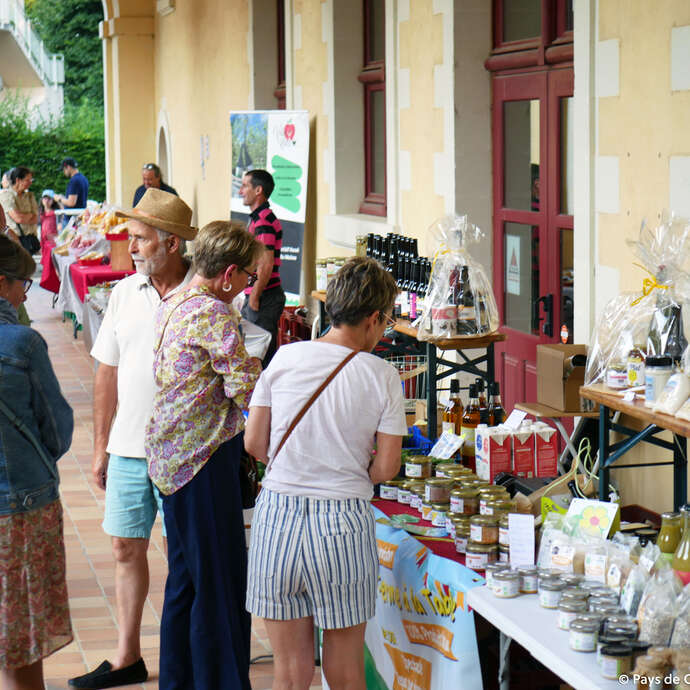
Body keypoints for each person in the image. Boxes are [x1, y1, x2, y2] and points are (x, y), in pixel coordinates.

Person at [245, 256, 407, 690]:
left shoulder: (284, 358)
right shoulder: (382, 375)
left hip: (276, 516)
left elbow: (254, 444)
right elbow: (387, 466)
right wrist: (351, 467)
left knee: (290, 670)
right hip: (341, 521)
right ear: (374, 318)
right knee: (346, 666)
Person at [68, 189, 197, 690]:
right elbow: (107, 373)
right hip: (127, 447)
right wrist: (100, 445)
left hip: (184, 454)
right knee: (126, 547)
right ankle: (127, 656)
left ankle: (183, 653)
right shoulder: (125, 293)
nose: (132, 247)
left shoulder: (199, 297)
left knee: (181, 552)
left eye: (142, 238)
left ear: (172, 244)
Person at [146, 220, 263, 690]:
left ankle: (180, 680)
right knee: (218, 584)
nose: (249, 286)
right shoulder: (214, 313)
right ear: (229, 274)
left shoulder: (173, 300)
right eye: (249, 277)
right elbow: (246, 389)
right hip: (201, 460)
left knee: (187, 581)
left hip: (173, 461)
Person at [0, 235, 74, 690]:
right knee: (21, 636)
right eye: (21, 285)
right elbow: (58, 430)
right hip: (21, 508)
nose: (24, 295)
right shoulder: (22, 344)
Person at [239, 169, 285, 367]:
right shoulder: (259, 217)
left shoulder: (263, 220)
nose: (241, 191)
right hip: (261, 295)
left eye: (245, 186)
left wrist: (255, 297)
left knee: (259, 357)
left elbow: (265, 263)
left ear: (258, 190)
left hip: (265, 297)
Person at [0, 166, 39, 251]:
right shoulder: (6, 195)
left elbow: (36, 218)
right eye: (27, 180)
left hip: (30, 240)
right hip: (14, 241)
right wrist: (30, 215)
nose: (30, 183)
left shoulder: (30, 195)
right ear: (18, 180)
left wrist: (24, 216)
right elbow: (18, 218)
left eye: (31, 180)